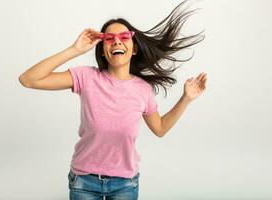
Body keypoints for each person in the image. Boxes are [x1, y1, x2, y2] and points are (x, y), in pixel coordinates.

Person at [19, 0, 207, 199]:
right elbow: (29, 80)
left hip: (125, 184)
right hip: (84, 182)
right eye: (109, 38)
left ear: (134, 48)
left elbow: (160, 128)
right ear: (102, 49)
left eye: (124, 37)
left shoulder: (143, 89)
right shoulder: (86, 77)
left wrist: (186, 98)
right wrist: (75, 49)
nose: (117, 41)